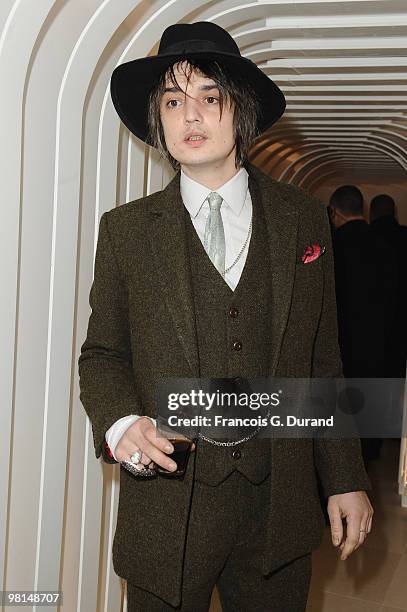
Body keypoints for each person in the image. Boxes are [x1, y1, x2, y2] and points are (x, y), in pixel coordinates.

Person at [78, 22, 373, 612]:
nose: (190, 116)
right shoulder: (126, 232)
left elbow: (321, 361)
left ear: (239, 111)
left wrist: (346, 476)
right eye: (172, 101)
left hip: (277, 506)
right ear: (158, 122)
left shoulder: (303, 221)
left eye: (209, 97)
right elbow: (103, 355)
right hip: (168, 510)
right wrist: (119, 426)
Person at [329, 186, 398, 464]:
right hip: (380, 337)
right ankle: (370, 454)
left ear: (335, 211)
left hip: (342, 338)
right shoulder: (385, 244)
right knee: (374, 402)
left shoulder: (332, 244)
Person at [370, 194, 407, 378]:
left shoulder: (367, 237)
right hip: (402, 316)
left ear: (372, 213)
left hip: (373, 319)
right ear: (394, 212)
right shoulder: (404, 235)